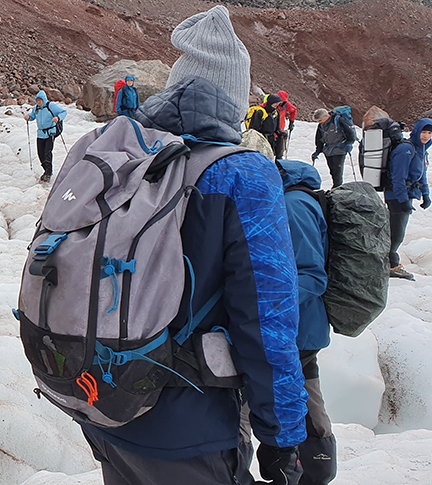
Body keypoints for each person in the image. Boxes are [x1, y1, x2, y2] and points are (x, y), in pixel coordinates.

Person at [84, 6, 307, 485]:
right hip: (190, 428)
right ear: (232, 100)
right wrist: (282, 435)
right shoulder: (242, 174)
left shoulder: (127, 155)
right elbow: (266, 319)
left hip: (104, 402)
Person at [273, 159, 337, 485]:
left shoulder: (293, 205)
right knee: (302, 400)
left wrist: (264, 301)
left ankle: (315, 471)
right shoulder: (291, 199)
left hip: (299, 329)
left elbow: (312, 276)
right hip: (295, 327)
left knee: (306, 407)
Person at [385, 118, 432, 280]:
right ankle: (391, 265)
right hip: (396, 195)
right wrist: (402, 199)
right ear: (417, 131)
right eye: (424, 132)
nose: (426, 136)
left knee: (397, 230)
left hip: (405, 194)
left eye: (430, 133)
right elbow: (398, 178)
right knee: (396, 233)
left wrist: (425, 194)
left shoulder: (421, 150)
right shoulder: (406, 149)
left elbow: (421, 175)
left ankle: (387, 262)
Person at [25, 91, 68, 182]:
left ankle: (48, 172)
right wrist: (29, 117)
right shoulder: (36, 108)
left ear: (44, 99)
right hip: (40, 134)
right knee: (40, 153)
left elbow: (63, 112)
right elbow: (33, 116)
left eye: (40, 100)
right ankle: (46, 170)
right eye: (37, 100)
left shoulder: (50, 106)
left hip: (50, 133)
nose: (39, 102)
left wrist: (58, 118)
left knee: (47, 153)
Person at [311, 108, 355, 188]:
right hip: (328, 150)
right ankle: (336, 186)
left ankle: (337, 187)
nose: (319, 122)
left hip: (340, 149)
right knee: (332, 170)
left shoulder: (339, 121)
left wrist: (348, 144)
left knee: (337, 171)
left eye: (320, 120)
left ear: (326, 116)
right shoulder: (321, 125)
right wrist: (318, 151)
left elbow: (350, 133)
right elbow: (319, 139)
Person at [276, 90, 298, 159]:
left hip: (280, 131)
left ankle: (278, 165)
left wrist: (291, 122)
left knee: (279, 152)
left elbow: (293, 110)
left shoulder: (286, 105)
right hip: (271, 131)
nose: (281, 103)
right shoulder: (272, 103)